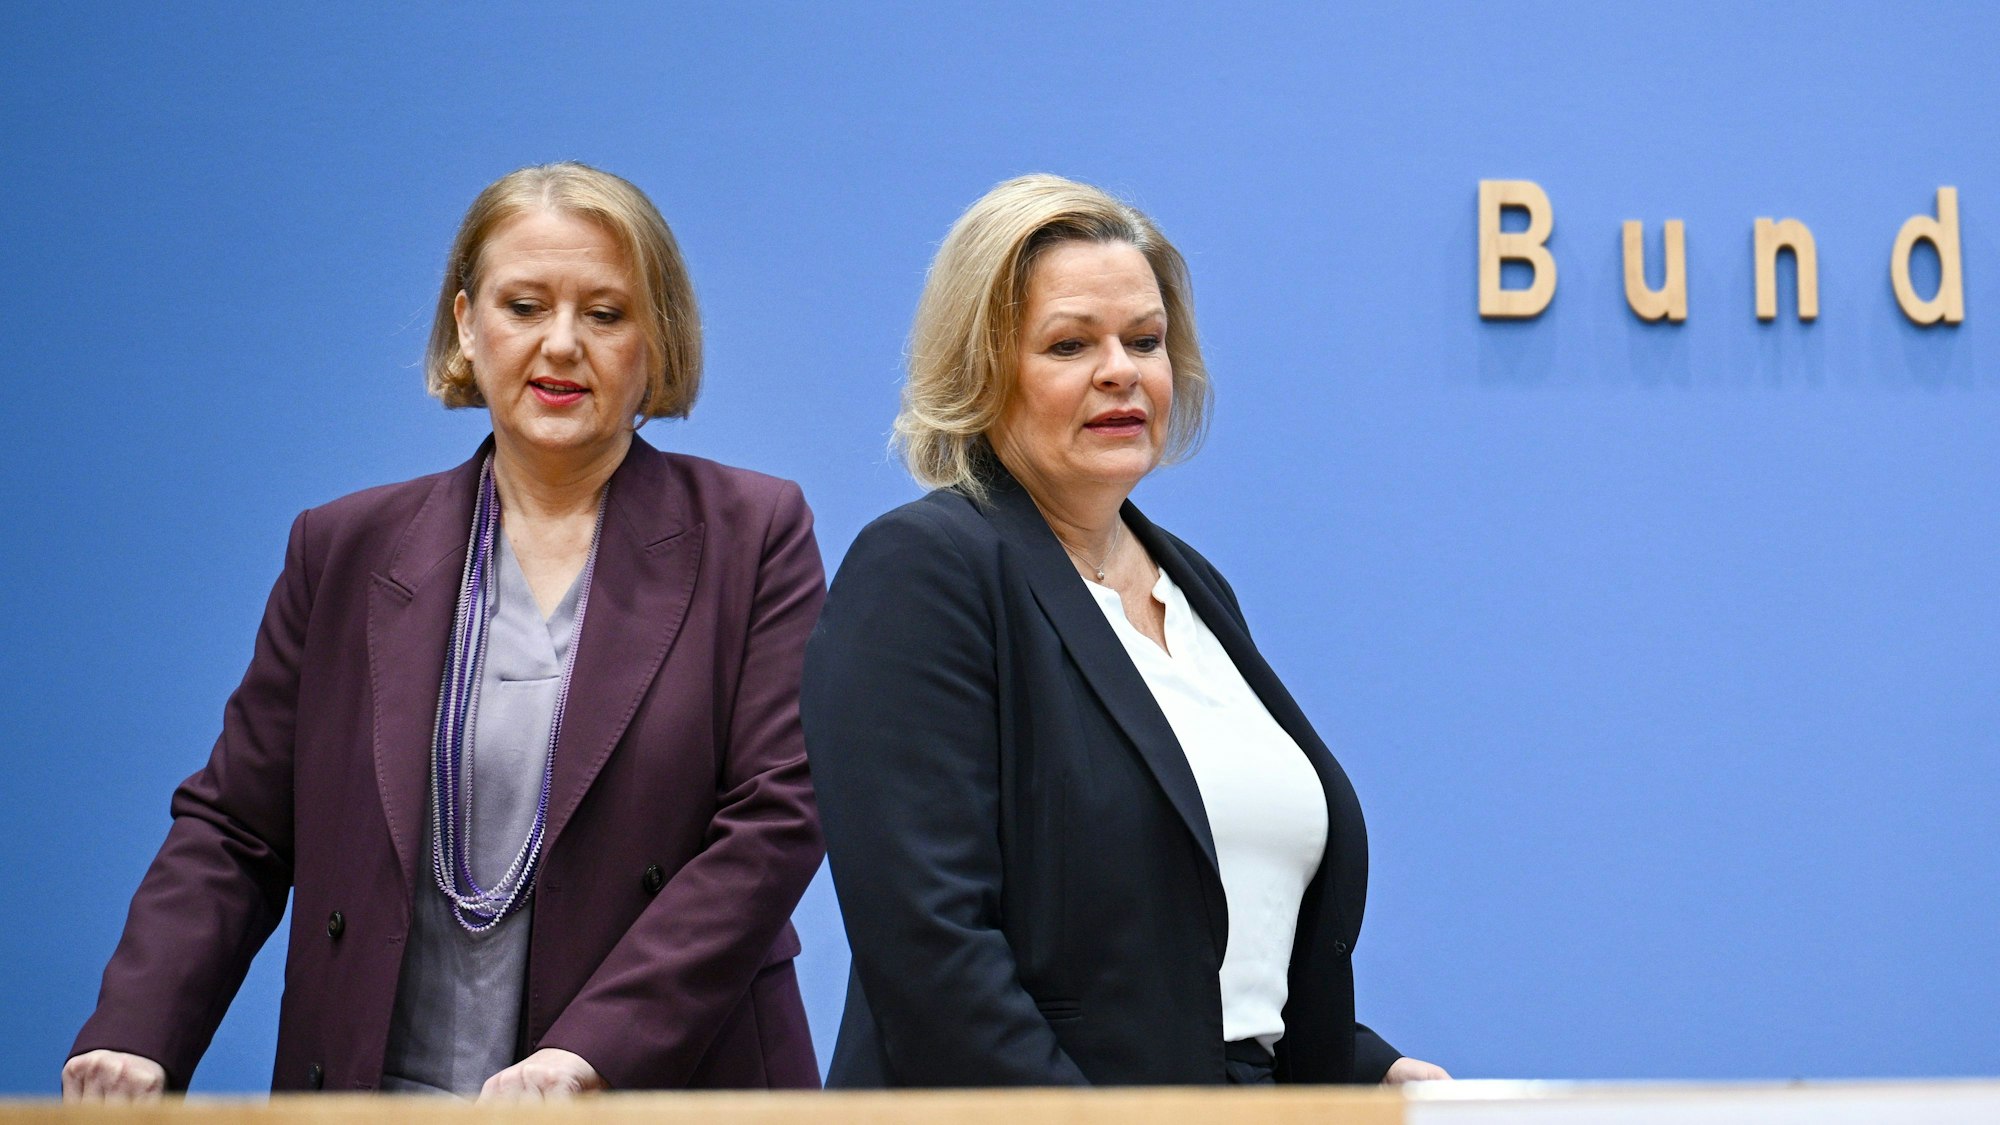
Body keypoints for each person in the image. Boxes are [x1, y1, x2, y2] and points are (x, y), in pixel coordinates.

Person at [63, 163, 826, 1100]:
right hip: (381, 1092)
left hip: (646, 1088)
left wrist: (589, 1053)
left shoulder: (754, 535)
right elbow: (237, 830)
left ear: (656, 338)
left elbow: (776, 822)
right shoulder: (341, 548)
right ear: (467, 324)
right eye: (523, 305)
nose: (561, 344)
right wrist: (141, 1030)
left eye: (605, 313)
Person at [804, 174, 1449, 1087]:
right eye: (1071, 343)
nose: (1122, 370)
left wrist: (1365, 1070)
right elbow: (931, 952)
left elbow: (1207, 967)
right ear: (982, 369)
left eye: (1144, 340)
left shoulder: (1196, 587)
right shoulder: (925, 569)